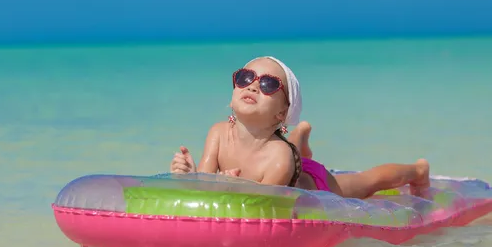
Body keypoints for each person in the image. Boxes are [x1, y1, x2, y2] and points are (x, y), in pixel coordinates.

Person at [170, 56, 430, 199]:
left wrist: (231, 188)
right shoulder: (217, 133)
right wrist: (189, 175)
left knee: (366, 182)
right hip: (284, 152)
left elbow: (265, 204)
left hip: (312, 183)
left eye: (268, 84)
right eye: (245, 78)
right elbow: (203, 185)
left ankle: (417, 169)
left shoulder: (279, 158)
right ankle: (300, 139)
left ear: (282, 114)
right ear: (231, 96)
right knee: (287, 147)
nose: (252, 86)